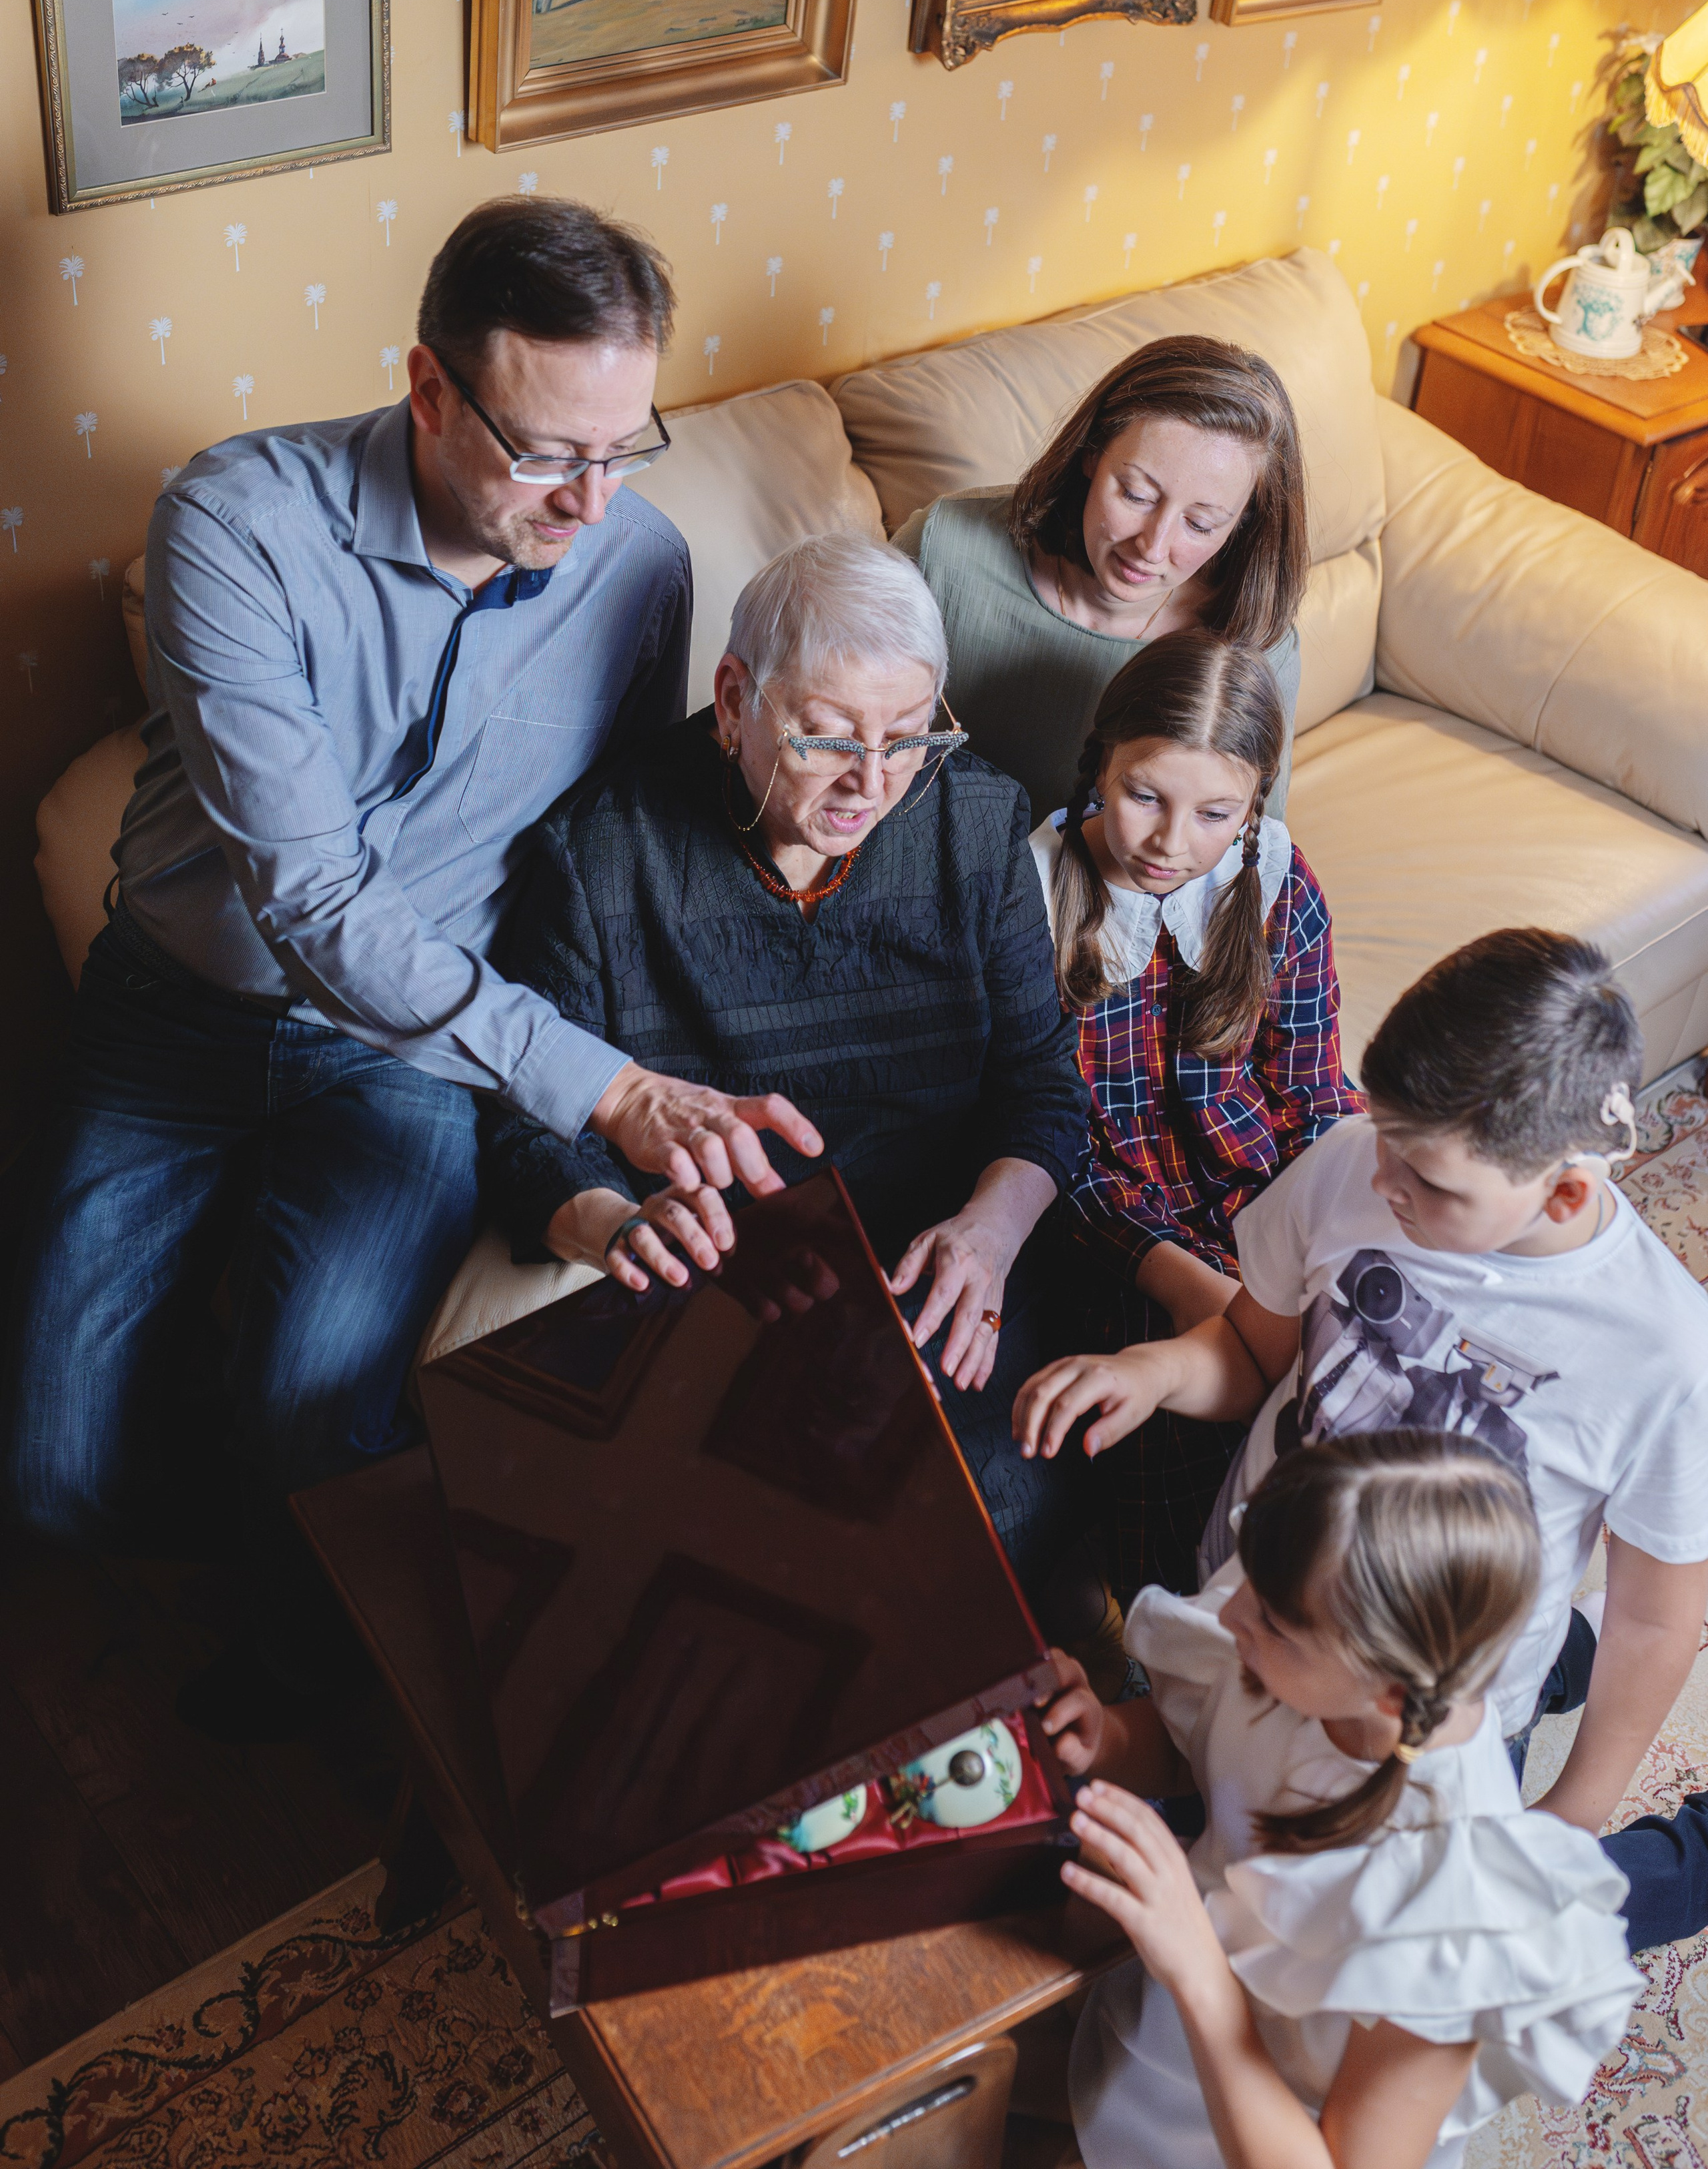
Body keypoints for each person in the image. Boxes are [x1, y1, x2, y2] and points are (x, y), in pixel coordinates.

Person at [5, 195, 821, 1734]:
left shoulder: (636, 562)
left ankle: (320, 1655)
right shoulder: (235, 519)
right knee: (51, 1479)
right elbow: (310, 896)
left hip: (408, 1057)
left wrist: (615, 1108)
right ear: (427, 388)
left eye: (620, 445)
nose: (589, 502)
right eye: (544, 452)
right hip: (169, 1016)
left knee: (315, 1407)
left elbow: (602, 842)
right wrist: (606, 1086)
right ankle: (250, 1521)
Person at [1015, 928, 1708, 1951]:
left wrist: (1570, 1817)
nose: (1383, 1182)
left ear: (1563, 1190)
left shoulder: (1664, 1354)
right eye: (1382, 1137)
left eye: (1428, 1180)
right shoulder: (1353, 1166)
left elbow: (1660, 1623)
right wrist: (1154, 1371)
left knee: (1378, 1938)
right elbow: (1253, 1351)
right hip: (1250, 1611)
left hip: (1429, 1701)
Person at [482, 531, 1100, 1629]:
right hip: (728, 1284)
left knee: (996, 1506)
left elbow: (1038, 1081)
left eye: (909, 738)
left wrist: (990, 1235)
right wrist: (619, 1225)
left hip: (937, 1254)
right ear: (734, 700)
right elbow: (530, 1122)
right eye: (828, 736)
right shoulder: (602, 856)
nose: (873, 782)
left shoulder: (975, 825)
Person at [1043, 1432, 1639, 2169]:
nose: (1231, 1619)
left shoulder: (1452, 1905)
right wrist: (1105, 1739)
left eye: (1270, 1622)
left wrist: (1198, 1972)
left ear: (1387, 1687)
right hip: (1159, 2033)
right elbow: (1195, 1752)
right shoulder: (1289, 1627)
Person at [1032, 632, 1360, 1598]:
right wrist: (1186, 1284)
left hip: (1274, 1198)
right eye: (1146, 795)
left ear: (1254, 804)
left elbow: (1312, 1098)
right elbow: (1055, 1145)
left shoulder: (1276, 884)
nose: (1173, 841)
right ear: (1101, 764)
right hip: (1116, 1232)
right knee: (1180, 1407)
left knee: (1384, 1354)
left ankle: (1362, 1613)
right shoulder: (1035, 898)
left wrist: (1329, 1249)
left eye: (1216, 811)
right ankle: (1176, 1631)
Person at [892, 336, 1309, 827]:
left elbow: (1252, 844)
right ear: (1091, 453)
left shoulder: (1254, 638)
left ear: (1244, 521)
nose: (1152, 548)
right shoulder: (945, 546)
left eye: (1201, 525)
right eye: (1135, 495)